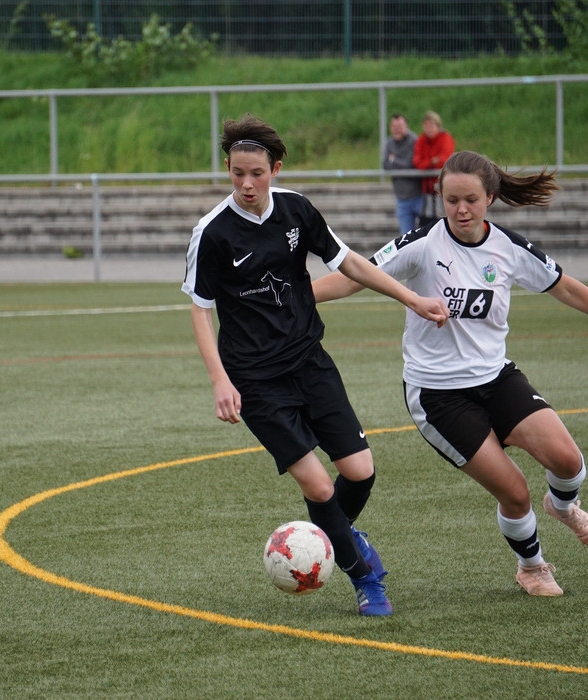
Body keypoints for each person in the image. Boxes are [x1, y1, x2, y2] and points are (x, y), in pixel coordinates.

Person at [312, 150, 588, 597]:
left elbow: (568, 287)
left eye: (472, 200)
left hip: (496, 379)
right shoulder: (420, 245)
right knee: (515, 492)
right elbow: (353, 275)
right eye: (452, 199)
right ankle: (532, 567)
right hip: (438, 395)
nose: (461, 209)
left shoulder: (509, 248)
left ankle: (563, 506)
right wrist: (293, 295)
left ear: (490, 199)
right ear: (439, 196)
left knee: (569, 462)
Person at [182, 115, 450, 616]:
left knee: (361, 471)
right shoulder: (212, 232)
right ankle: (364, 575)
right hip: (256, 382)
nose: (245, 184)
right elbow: (200, 309)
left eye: (256, 173)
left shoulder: (297, 211)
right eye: (236, 172)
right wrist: (220, 379)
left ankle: (338, 536)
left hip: (310, 362)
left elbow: (349, 262)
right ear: (228, 169)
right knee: (320, 485)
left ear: (275, 169)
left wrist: (411, 299)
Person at [383, 113, 424, 235]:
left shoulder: (414, 140)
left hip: (419, 196)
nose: (396, 129)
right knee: (405, 238)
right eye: (394, 126)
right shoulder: (389, 143)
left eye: (399, 126)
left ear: (407, 126)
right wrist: (398, 162)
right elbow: (385, 165)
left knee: (424, 235)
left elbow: (411, 164)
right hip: (401, 198)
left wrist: (394, 160)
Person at [412, 110, 455, 227]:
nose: (428, 128)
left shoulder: (445, 138)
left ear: (438, 125)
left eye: (431, 125)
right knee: (426, 220)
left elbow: (444, 160)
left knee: (442, 218)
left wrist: (428, 163)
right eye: (426, 125)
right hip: (426, 190)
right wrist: (432, 161)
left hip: (442, 187)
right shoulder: (421, 140)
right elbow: (417, 163)